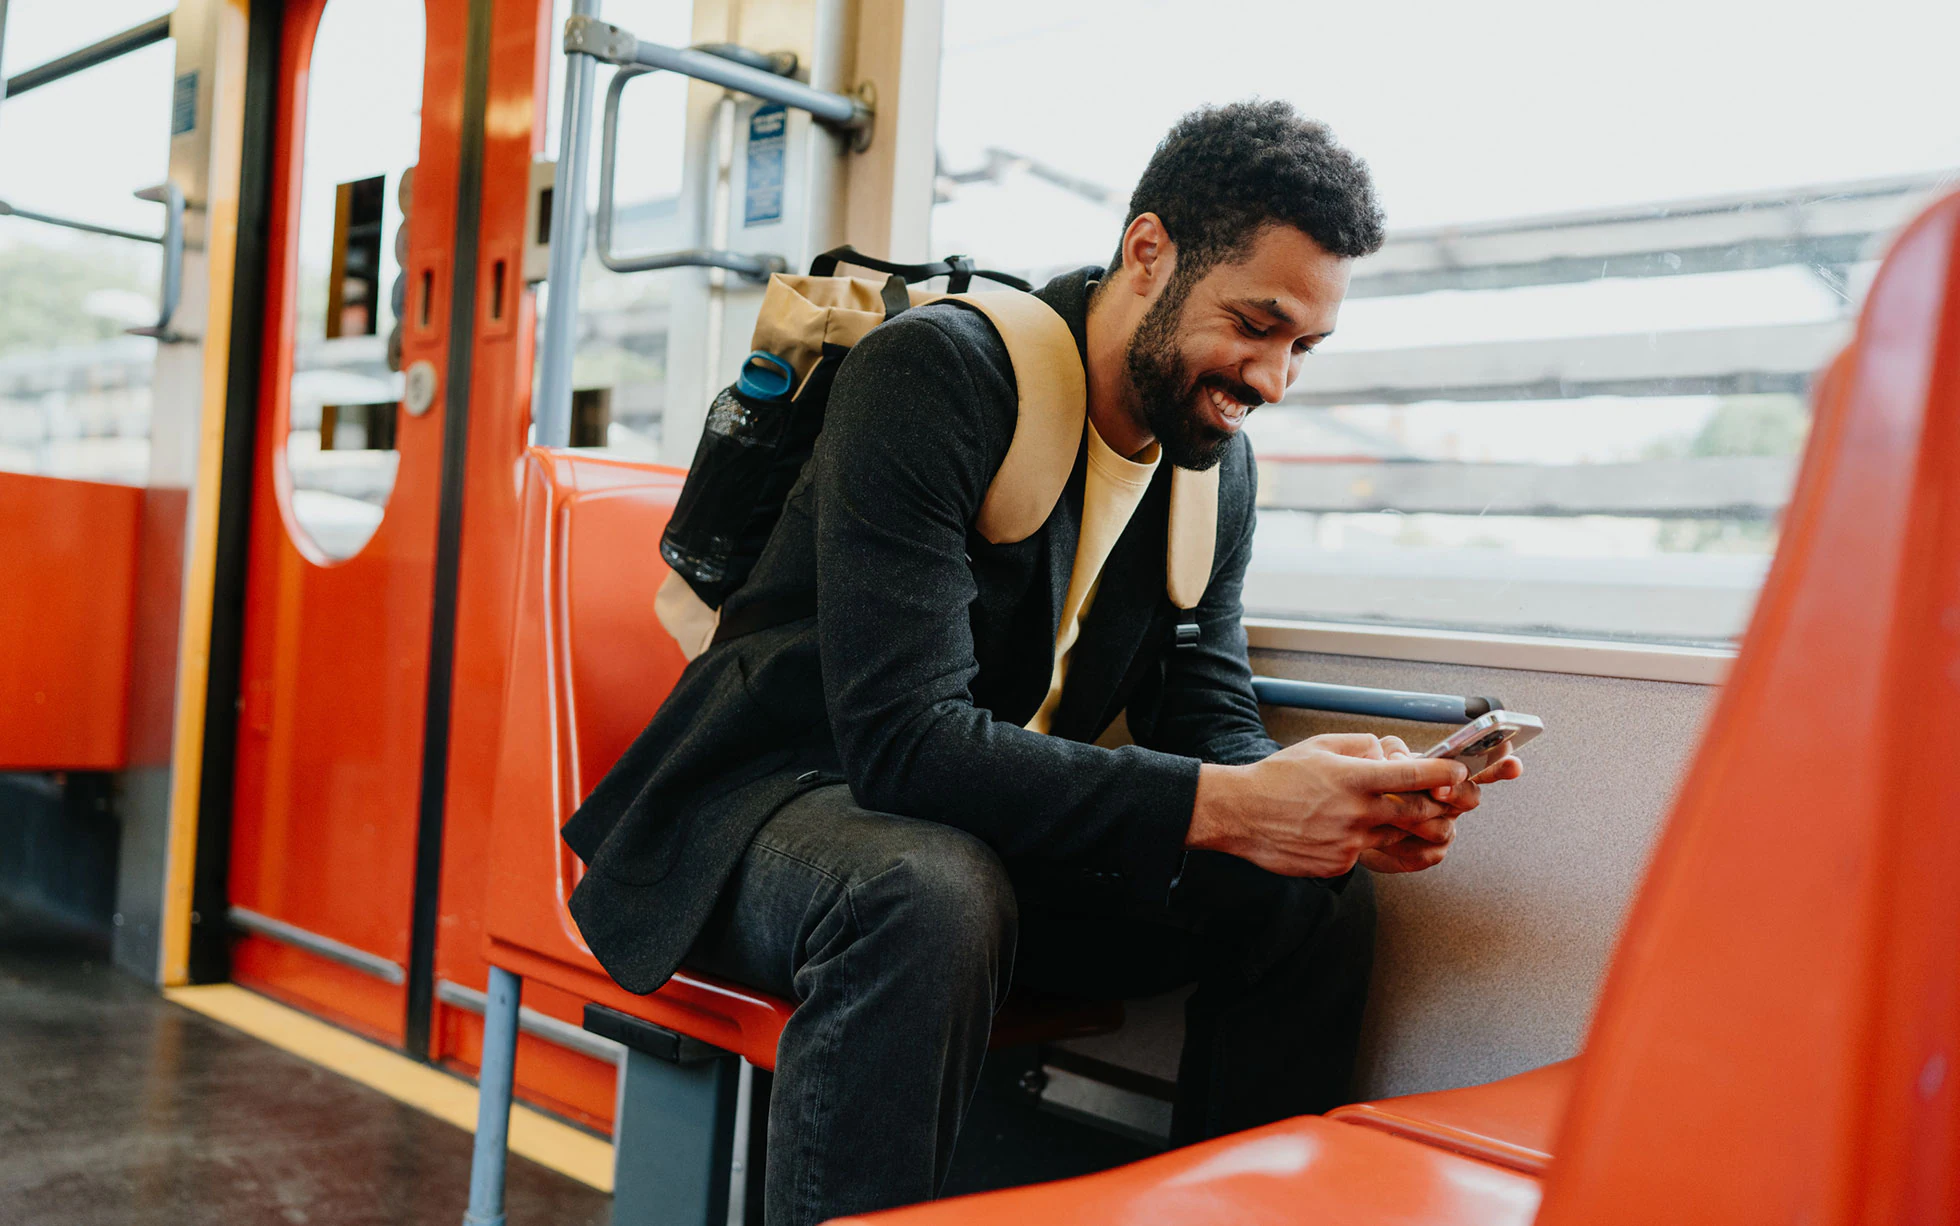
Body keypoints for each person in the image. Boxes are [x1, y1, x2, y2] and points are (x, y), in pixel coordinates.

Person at [562, 99, 1523, 1226]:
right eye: (1254, 323)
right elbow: (902, 746)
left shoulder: (1211, 462)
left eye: (1301, 347)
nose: (1270, 379)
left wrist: (1311, 802)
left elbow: (1205, 705)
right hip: (770, 807)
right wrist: (1233, 805)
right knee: (925, 890)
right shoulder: (935, 376)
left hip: (961, 825)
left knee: (1307, 896)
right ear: (1148, 251)